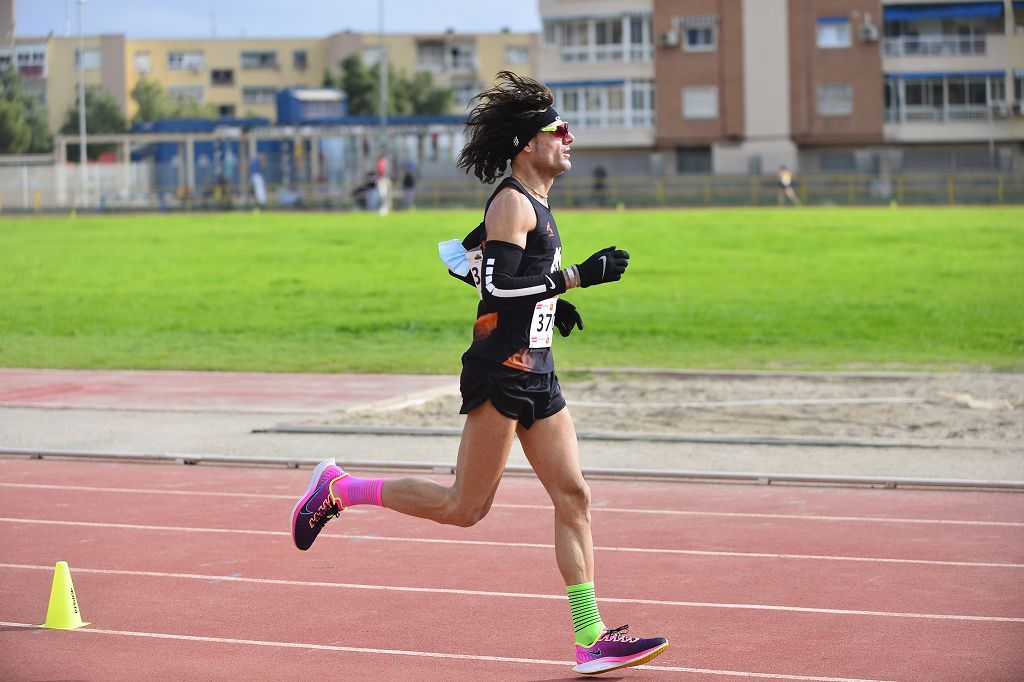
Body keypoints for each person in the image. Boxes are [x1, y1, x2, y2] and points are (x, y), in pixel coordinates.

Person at [291, 71, 668, 676]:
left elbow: (470, 265)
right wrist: (575, 278)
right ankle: (339, 488)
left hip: (537, 370)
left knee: (574, 495)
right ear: (527, 142)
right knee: (464, 507)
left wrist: (548, 303)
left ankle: (589, 638)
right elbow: (496, 284)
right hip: (502, 372)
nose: (569, 138)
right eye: (558, 130)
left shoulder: (535, 201)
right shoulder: (513, 201)